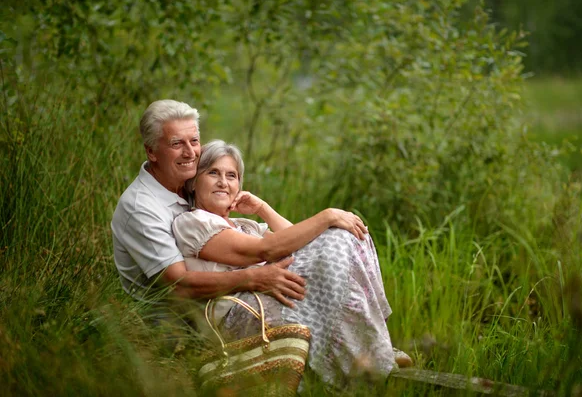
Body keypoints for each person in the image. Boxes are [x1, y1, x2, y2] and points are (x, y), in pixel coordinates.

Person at [172, 139, 413, 390]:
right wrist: (328, 215)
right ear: (194, 182)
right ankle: (369, 354)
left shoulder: (245, 225)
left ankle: (372, 347)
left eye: (231, 175)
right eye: (213, 173)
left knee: (343, 237)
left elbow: (300, 244)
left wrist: (263, 209)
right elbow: (266, 250)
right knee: (337, 237)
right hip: (239, 314)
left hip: (268, 296)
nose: (223, 182)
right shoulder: (193, 222)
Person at [111, 99, 306, 316]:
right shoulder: (141, 207)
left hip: (219, 307)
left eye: (194, 141)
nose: (190, 153)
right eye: (177, 144)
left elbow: (285, 246)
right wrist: (252, 279)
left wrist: (262, 209)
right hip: (167, 326)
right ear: (151, 152)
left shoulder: (188, 182)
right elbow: (179, 286)